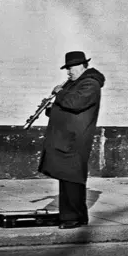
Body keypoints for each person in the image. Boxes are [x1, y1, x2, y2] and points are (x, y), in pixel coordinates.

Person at [38, 51, 106, 229]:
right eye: (67, 68)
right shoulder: (75, 83)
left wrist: (59, 93)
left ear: (84, 66)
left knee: (72, 178)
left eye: (72, 68)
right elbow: (67, 106)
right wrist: (51, 109)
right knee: (65, 177)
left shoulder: (90, 84)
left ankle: (73, 217)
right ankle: (72, 215)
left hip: (75, 140)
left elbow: (75, 103)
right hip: (66, 138)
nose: (69, 72)